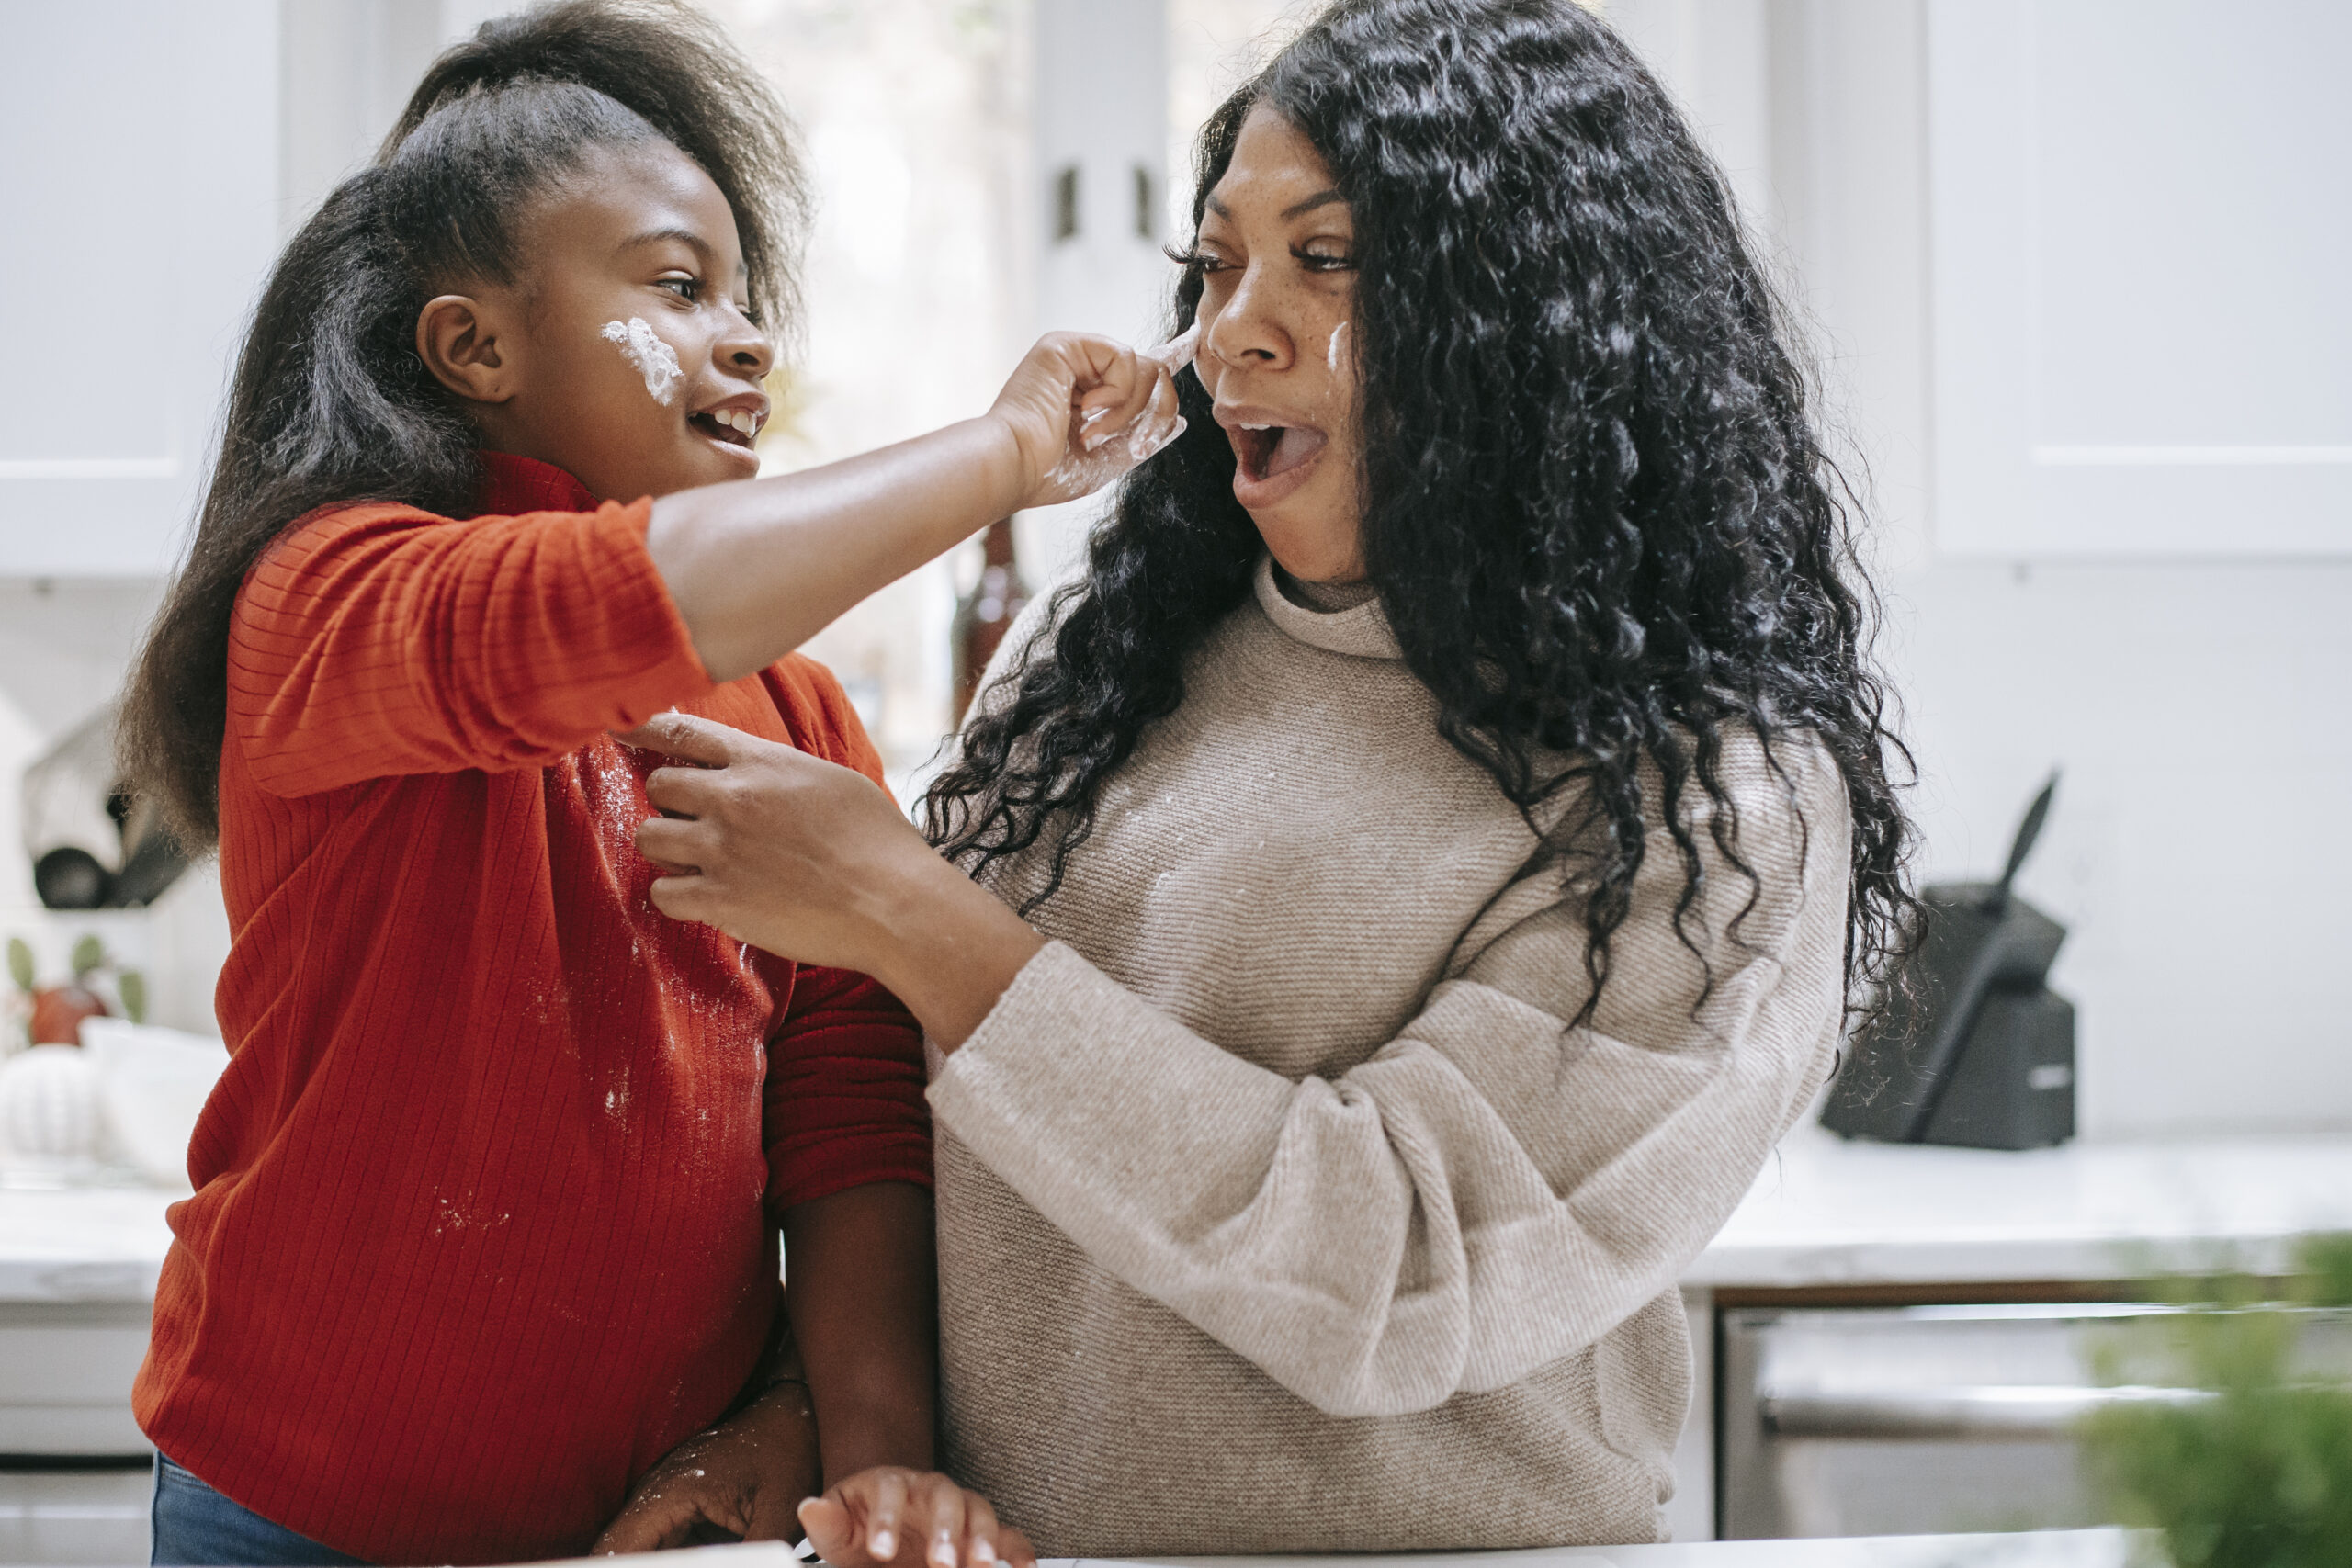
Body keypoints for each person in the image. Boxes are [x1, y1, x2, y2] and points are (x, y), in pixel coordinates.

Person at [609, 0, 1919, 1553]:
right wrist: (811, 1407)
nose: (1235, 329)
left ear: (1530, 314)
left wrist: (910, 915)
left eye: (1327, 258)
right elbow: (920, 1128)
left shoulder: (1714, 804)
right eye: (1217, 262)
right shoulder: (1098, 660)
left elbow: (1405, 1264)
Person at [114, 2, 1179, 1562]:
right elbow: (612, 605)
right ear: (474, 346)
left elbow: (847, 1118)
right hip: (294, 1515)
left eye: (749, 299)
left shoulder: (800, 711)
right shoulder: (331, 602)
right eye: (678, 289)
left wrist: (867, 1470)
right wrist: (1008, 449)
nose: (746, 338)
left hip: (644, 1526)